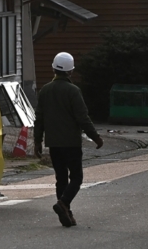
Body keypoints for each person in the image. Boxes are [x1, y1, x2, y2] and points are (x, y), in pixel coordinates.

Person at [33, 52, 104, 228]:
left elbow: (39, 118)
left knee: (61, 178)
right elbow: (83, 118)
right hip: (71, 142)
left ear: (53, 68)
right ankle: (64, 203)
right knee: (77, 177)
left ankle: (66, 211)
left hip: (53, 143)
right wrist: (96, 138)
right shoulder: (73, 91)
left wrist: (37, 141)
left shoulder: (45, 91)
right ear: (70, 72)